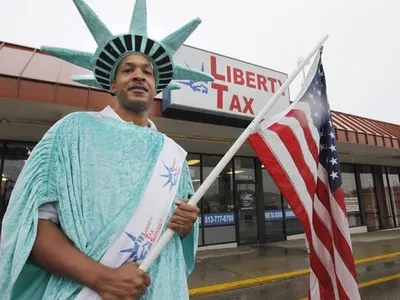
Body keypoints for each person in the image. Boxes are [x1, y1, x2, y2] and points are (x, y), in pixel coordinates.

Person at [0, 0, 214, 299]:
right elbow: (30, 226)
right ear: (111, 84)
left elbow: (177, 236)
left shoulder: (174, 154)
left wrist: (186, 226)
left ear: (156, 87)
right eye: (128, 70)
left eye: (147, 72)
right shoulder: (72, 132)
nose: (139, 76)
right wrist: (102, 279)